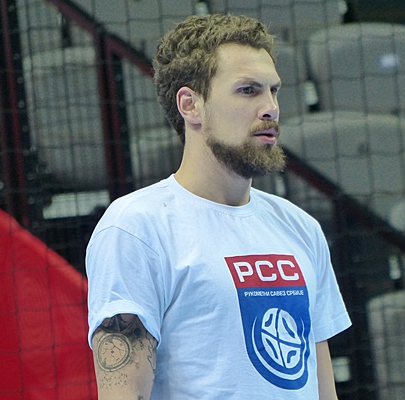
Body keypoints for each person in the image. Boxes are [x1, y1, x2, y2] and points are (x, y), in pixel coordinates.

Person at [86, 13, 351, 399]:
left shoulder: (301, 228)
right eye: (248, 90)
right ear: (190, 105)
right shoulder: (136, 227)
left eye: (273, 91)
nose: (271, 108)